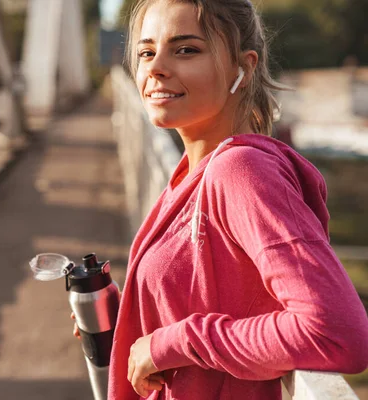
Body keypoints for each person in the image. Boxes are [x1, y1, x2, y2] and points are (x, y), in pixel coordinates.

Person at [72, 0, 368, 399]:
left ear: (242, 68)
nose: (155, 67)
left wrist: (172, 343)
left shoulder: (242, 172)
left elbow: (335, 332)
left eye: (186, 49)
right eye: (146, 52)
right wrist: (133, 313)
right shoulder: (193, 173)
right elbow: (225, 290)